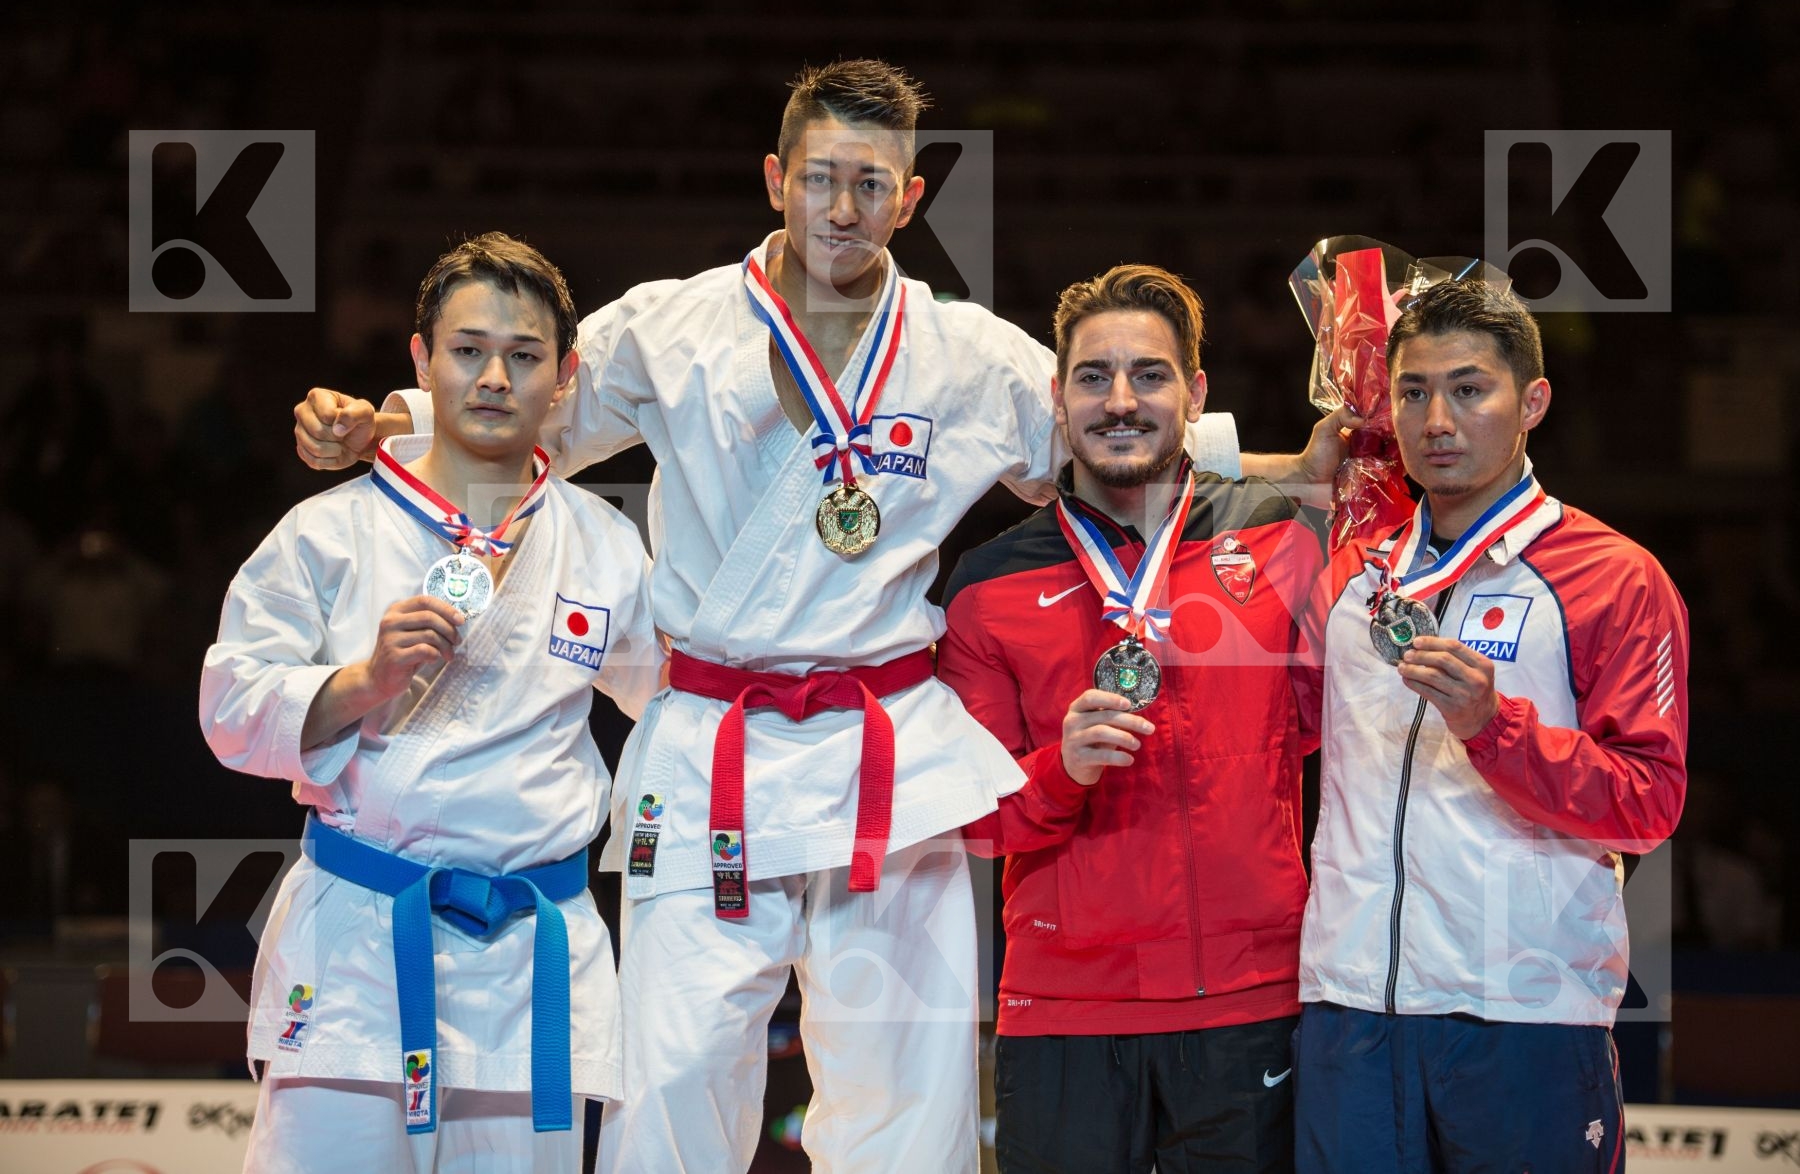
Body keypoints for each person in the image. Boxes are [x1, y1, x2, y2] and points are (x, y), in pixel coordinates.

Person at [292, 61, 1331, 1173]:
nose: (844, 207)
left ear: (910, 199)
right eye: (822, 178)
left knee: (906, 1102)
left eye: (872, 184)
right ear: (775, 179)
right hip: (712, 750)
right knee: (673, 1087)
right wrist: (383, 424)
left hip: (888, 754)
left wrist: (1296, 470)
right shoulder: (671, 325)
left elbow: (1117, 430)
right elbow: (522, 404)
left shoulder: (967, 352)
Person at [201, 233, 658, 1173]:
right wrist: (360, 683)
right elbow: (228, 709)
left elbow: (680, 702)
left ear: (564, 377)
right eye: (467, 350)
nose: (494, 378)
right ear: (420, 361)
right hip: (359, 952)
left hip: (533, 959)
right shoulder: (327, 533)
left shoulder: (605, 546)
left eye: (524, 356)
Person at [1292, 279, 1689, 1172]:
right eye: (1413, 392)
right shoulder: (1352, 576)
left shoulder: (1614, 576)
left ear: (1532, 402)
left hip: (1525, 1009)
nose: (1437, 420)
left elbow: (1649, 803)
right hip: (1350, 1006)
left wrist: (1492, 726)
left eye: (1469, 389)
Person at [939, 265, 1323, 1173]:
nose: (1120, 400)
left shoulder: (1279, 540)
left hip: (1248, 998)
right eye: (1093, 377)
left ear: (1196, 394)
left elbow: (1335, 737)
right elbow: (975, 820)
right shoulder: (988, 584)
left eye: (1150, 375)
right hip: (1065, 1008)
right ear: (1058, 398)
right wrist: (1058, 770)